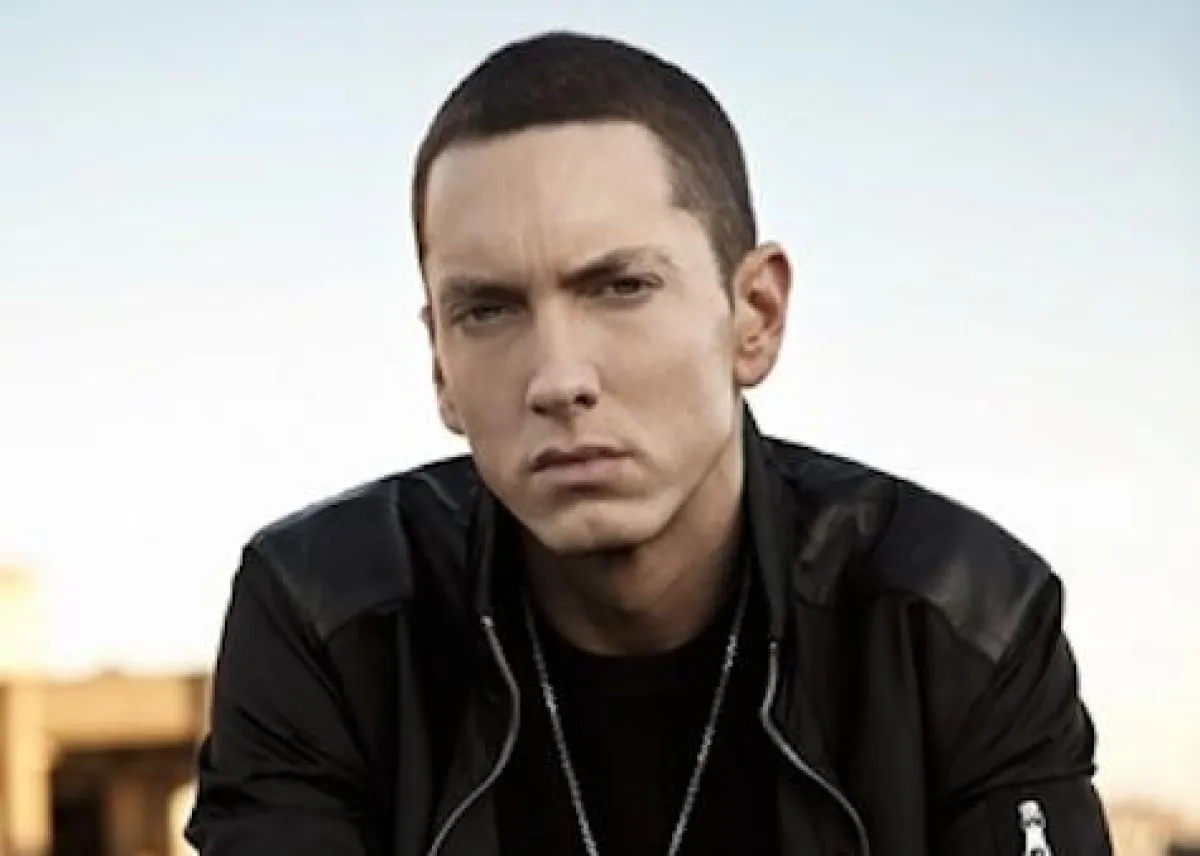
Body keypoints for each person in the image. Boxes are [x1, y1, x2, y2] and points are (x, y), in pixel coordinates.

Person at [184, 30, 1114, 856]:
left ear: (755, 315)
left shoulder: (959, 619)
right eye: (488, 309)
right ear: (440, 365)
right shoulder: (328, 617)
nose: (558, 378)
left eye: (620, 287)